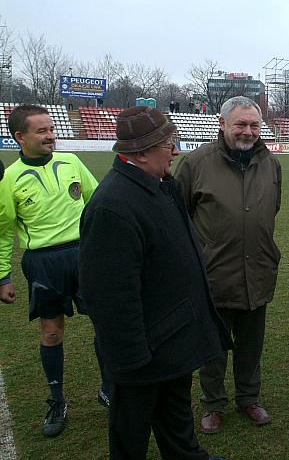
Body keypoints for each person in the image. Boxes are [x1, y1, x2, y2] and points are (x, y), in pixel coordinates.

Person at [79, 106, 231, 460]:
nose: (176, 151)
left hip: (172, 342)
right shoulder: (113, 206)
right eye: (169, 143)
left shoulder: (160, 187)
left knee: (177, 424)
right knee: (130, 438)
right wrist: (132, 361)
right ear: (142, 152)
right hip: (141, 356)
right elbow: (109, 295)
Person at [175, 96, 281, 433]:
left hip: (258, 272)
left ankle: (249, 398)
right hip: (213, 275)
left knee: (251, 345)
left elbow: (272, 210)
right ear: (223, 124)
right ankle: (213, 404)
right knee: (213, 347)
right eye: (241, 124)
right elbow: (179, 216)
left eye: (254, 125)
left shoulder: (271, 164)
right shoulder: (195, 163)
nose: (248, 132)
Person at [0, 104, 103, 438]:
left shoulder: (71, 161)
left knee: (106, 321)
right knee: (52, 332)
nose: (51, 136)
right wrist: (3, 275)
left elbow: (99, 199)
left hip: (84, 254)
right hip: (42, 262)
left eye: (51, 129)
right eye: (41, 131)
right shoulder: (10, 179)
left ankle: (111, 387)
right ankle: (57, 400)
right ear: (20, 137)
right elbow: (3, 231)